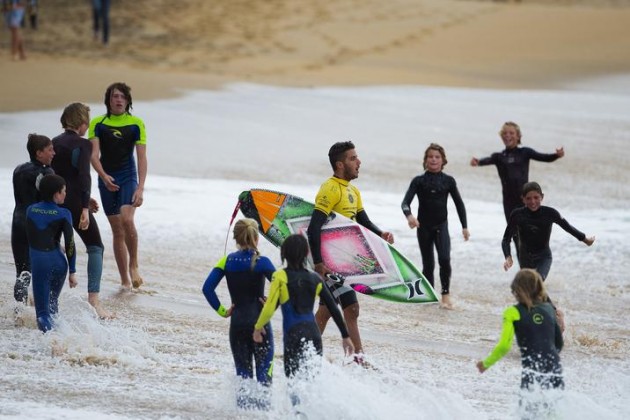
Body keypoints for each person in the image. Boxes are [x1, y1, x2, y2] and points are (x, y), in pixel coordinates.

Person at [306, 141, 394, 360]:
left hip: (346, 262)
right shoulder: (330, 188)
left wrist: (380, 234)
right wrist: (318, 262)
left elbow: (362, 222)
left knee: (335, 310)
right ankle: (356, 357)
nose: (359, 161)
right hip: (329, 261)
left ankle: (308, 351)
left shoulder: (353, 190)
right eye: (353, 158)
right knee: (345, 308)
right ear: (340, 164)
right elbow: (313, 227)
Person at [253, 234, 354, 407]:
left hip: (293, 335)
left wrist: (258, 327)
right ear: (306, 253)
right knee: (310, 383)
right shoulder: (315, 278)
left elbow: (270, 307)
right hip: (314, 335)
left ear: (284, 252)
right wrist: (345, 336)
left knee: (293, 382)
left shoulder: (280, 276)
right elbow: (333, 308)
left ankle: (298, 414)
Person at [202, 218, 275, 410]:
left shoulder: (227, 261)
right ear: (257, 238)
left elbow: (207, 289)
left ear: (236, 237)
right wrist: (271, 304)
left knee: (243, 377)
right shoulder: (262, 262)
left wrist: (223, 311)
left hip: (238, 324)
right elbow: (282, 287)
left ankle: (243, 415)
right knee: (264, 378)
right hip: (261, 325)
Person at [52, 103, 113, 319]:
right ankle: (94, 301)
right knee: (95, 246)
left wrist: (87, 198)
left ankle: (43, 295)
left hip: (53, 201)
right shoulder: (83, 144)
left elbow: (58, 175)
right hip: (74, 204)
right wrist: (84, 207)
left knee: (51, 246)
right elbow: (83, 175)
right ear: (82, 122)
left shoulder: (54, 142)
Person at [477, 269, 564, 418]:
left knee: (527, 413)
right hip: (554, 366)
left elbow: (504, 346)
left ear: (516, 289)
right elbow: (559, 343)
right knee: (552, 412)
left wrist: (486, 363)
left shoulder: (512, 312)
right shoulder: (549, 309)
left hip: (532, 369)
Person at [89, 82, 147, 290]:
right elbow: (93, 156)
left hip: (127, 176)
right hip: (106, 178)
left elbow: (142, 158)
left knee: (127, 219)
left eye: (123, 97)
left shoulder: (136, 124)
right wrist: (104, 177)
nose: (119, 100)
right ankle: (124, 281)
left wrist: (140, 188)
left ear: (128, 101)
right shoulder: (98, 123)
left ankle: (134, 266)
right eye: (115, 96)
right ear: (109, 100)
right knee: (117, 230)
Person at [401, 143, 469, 309]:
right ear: (425, 160)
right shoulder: (418, 181)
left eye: (437, 157)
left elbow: (459, 204)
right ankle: (430, 295)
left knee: (444, 259)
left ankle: (445, 295)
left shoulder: (448, 181)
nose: (433, 159)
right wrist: (409, 216)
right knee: (428, 264)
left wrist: (464, 226)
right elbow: (405, 203)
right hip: (423, 227)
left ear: (443, 160)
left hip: (441, 226)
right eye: (430, 156)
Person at [470, 121, 564, 222]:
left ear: (518, 136)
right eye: (505, 133)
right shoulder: (498, 157)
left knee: (528, 229)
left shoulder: (525, 152)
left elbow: (544, 157)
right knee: (513, 230)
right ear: (501, 137)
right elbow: (485, 160)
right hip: (508, 200)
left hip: (524, 198)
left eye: (511, 133)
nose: (507, 136)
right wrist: (477, 162)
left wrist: (556, 155)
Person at [502, 182, 595, 281]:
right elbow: (506, 239)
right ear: (523, 199)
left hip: (543, 257)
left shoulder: (550, 213)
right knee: (529, 289)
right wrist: (508, 257)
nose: (533, 201)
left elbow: (568, 228)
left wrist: (585, 239)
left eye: (536, 197)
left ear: (542, 197)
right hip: (525, 259)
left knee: (537, 282)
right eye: (528, 198)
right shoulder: (517, 215)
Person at [26, 174, 77, 332]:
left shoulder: (30, 210)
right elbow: (70, 244)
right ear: (56, 194)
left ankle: (53, 344)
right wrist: (73, 271)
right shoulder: (65, 213)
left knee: (42, 314)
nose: (65, 194)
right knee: (53, 305)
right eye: (64, 191)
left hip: (41, 264)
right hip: (60, 264)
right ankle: (63, 337)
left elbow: (37, 236)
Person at [11, 133, 55, 306]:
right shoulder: (46, 172)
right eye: (50, 150)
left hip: (18, 222)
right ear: (39, 153)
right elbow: (52, 201)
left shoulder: (18, 170)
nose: (54, 153)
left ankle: (18, 312)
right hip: (37, 225)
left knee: (22, 272)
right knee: (44, 270)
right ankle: (45, 311)